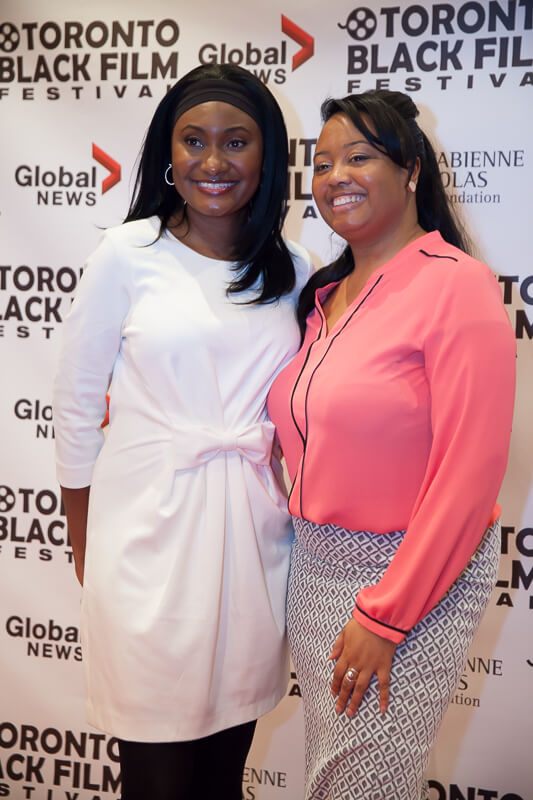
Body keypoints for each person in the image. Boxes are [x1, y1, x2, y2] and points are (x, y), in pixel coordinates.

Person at [52, 63, 311, 800]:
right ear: (168, 152)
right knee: (157, 779)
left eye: (236, 141)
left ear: (266, 156)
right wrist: (84, 540)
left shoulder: (295, 271)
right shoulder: (127, 254)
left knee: (222, 775)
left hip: (253, 546)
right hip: (145, 543)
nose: (213, 161)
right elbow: (75, 407)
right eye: (193, 140)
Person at [267, 89, 515, 799]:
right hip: (315, 568)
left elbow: (468, 475)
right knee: (329, 773)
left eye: (359, 156)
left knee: (363, 783)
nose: (335, 176)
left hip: (408, 579)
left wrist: (387, 612)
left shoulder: (456, 284)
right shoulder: (324, 297)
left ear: (411, 172)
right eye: (321, 163)